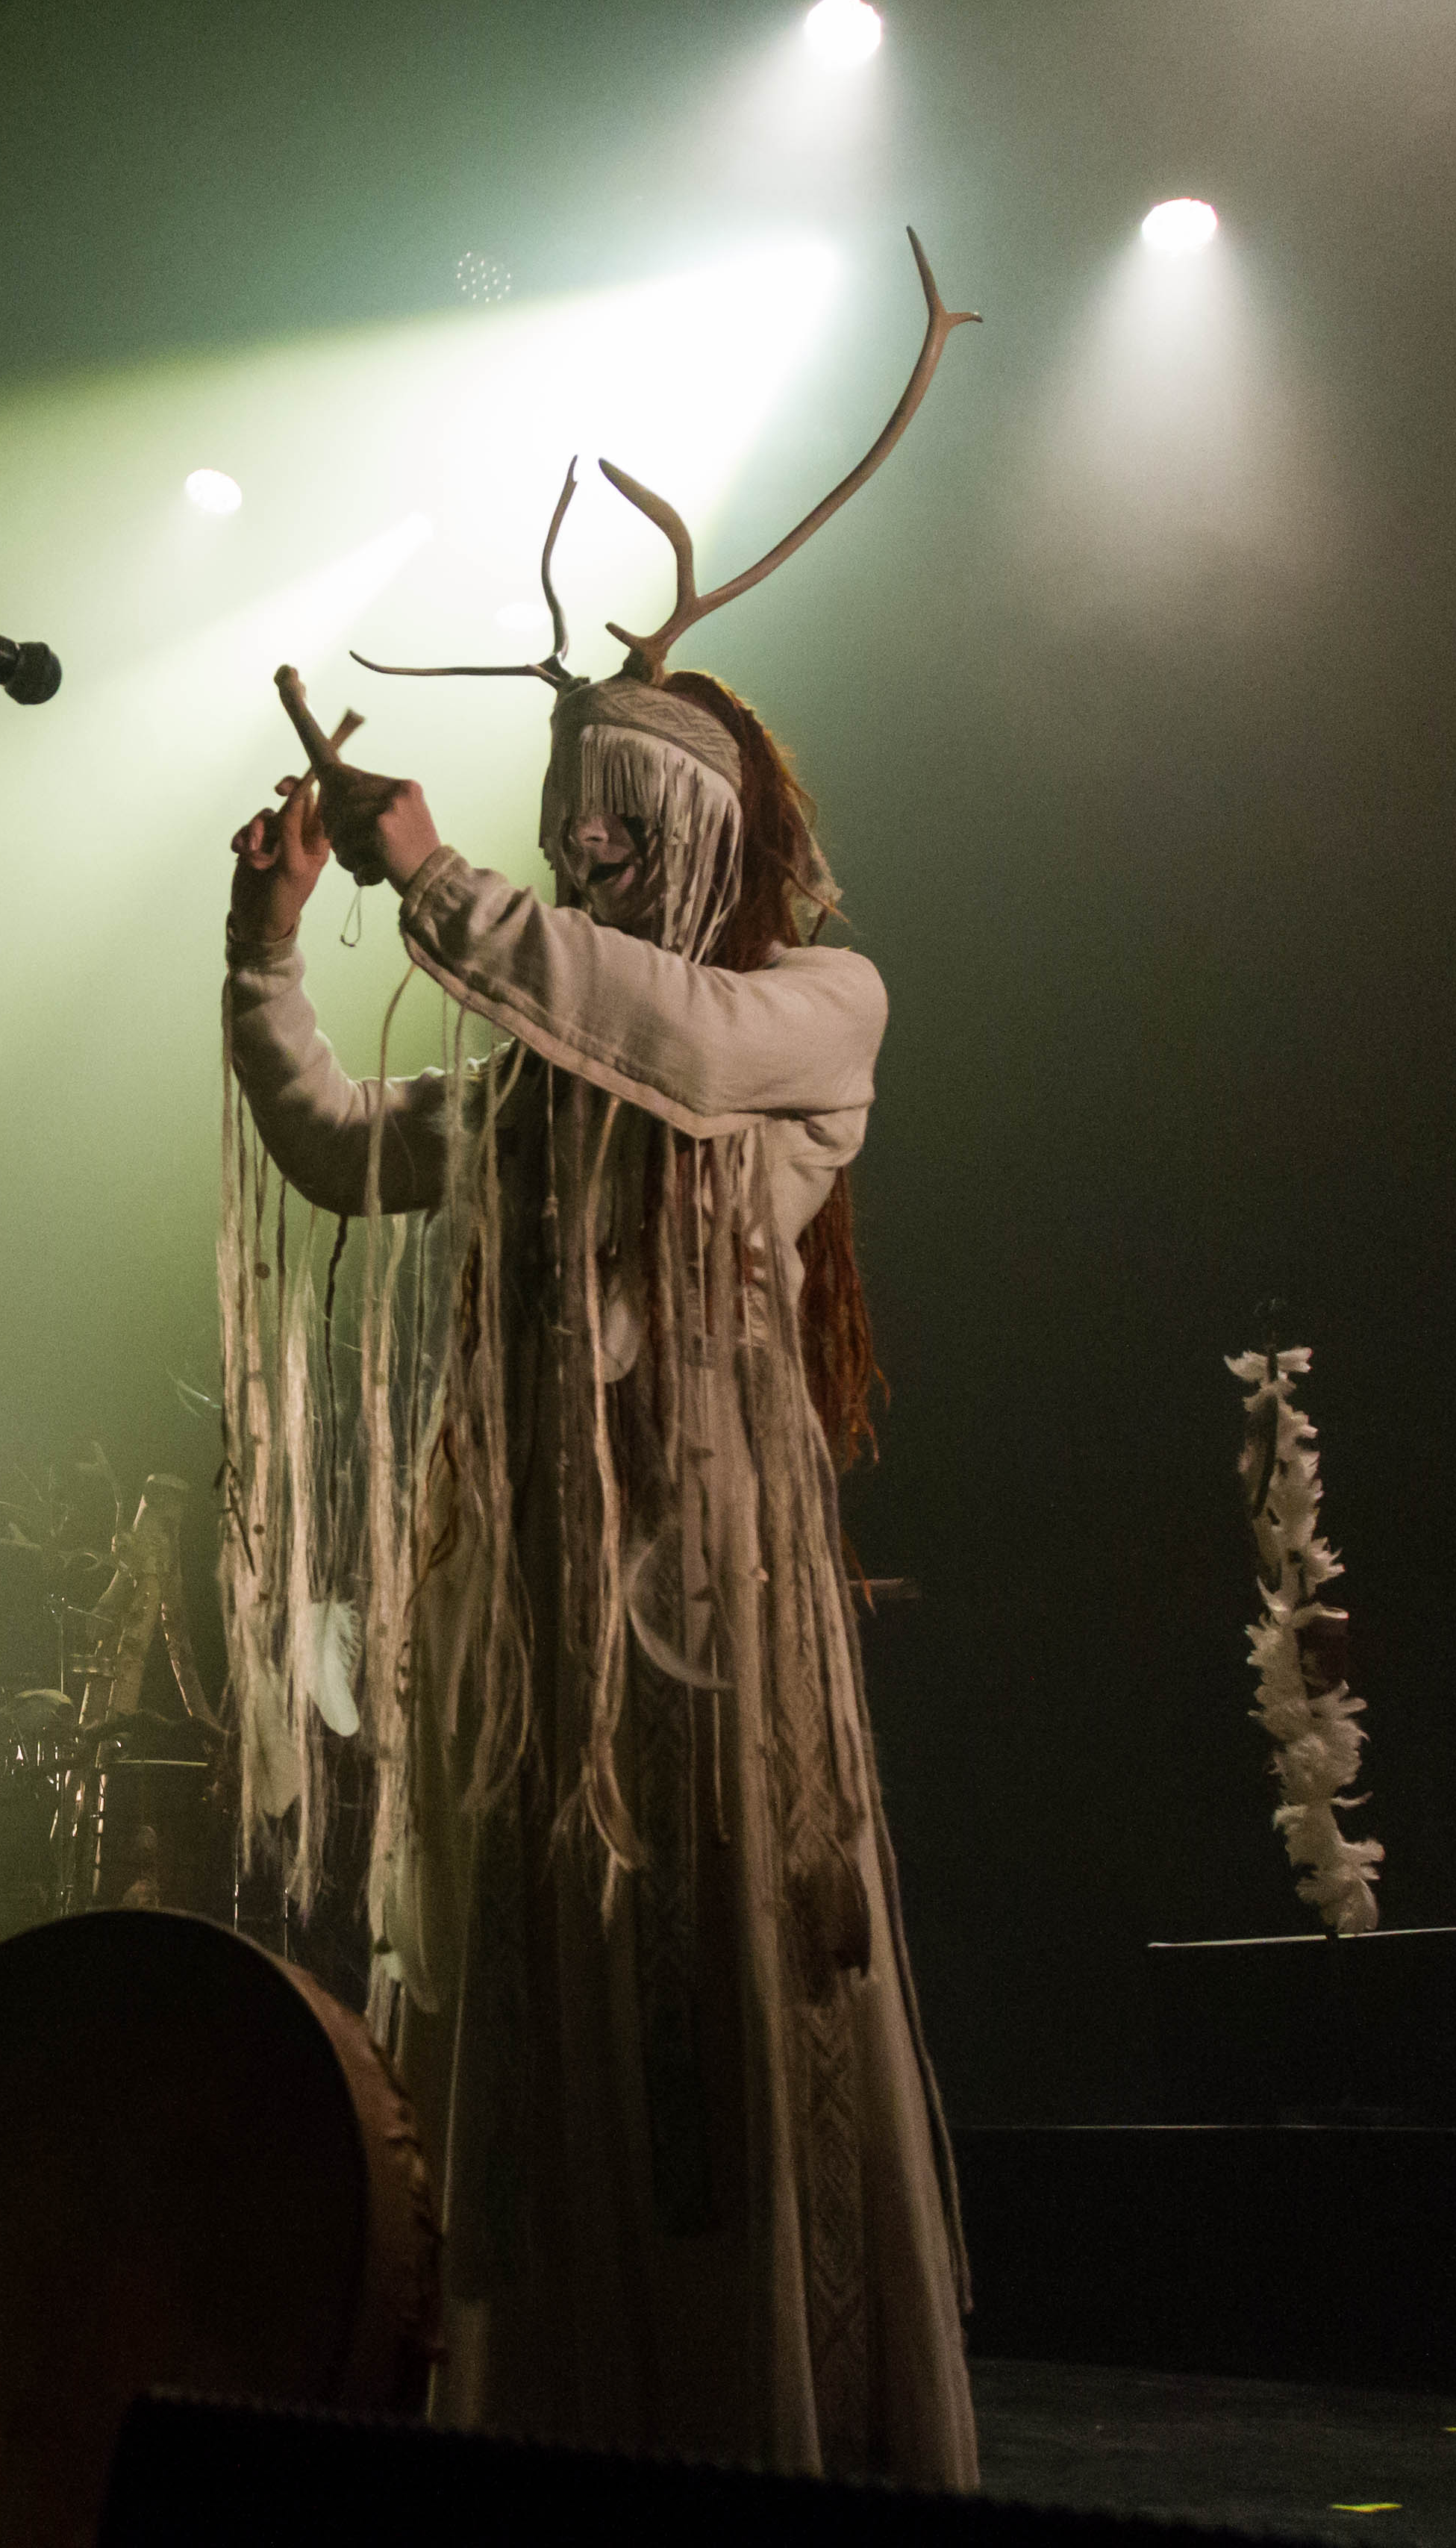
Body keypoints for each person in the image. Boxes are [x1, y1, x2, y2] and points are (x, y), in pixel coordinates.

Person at [216, 665, 977, 2485]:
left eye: (623, 810)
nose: (584, 844)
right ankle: (575, 2417)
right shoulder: (534, 1102)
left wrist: (444, 883)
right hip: (549, 1626)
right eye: (573, 813)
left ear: (714, 825)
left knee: (718, 2000)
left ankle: (767, 2420)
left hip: (718, 1625)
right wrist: (267, 959)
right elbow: (335, 1142)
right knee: (561, 1993)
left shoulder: (815, 1008)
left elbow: (683, 1043)